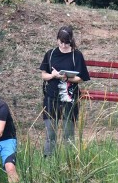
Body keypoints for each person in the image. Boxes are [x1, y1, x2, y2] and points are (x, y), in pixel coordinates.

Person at [39, 25, 90, 156]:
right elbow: (44, 74)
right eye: (61, 42)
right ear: (57, 40)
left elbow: (81, 78)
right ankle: (48, 160)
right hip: (51, 97)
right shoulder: (50, 54)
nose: (63, 45)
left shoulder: (77, 55)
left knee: (68, 134)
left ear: (71, 41)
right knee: (51, 133)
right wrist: (53, 76)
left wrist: (68, 78)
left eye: (66, 43)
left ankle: (69, 160)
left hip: (70, 98)